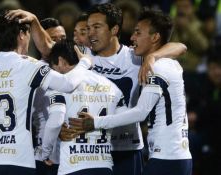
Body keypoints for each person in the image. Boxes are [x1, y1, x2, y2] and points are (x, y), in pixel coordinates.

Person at [0, 12, 92, 175]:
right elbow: (68, 84)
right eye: (28, 34)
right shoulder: (28, 66)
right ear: (21, 35)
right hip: (18, 159)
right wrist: (84, 62)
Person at [69, 8, 193, 175]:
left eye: (137, 32)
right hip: (169, 154)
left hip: (156, 154)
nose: (132, 37)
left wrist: (96, 122)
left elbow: (140, 112)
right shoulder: (167, 64)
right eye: (88, 28)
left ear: (113, 30)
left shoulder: (150, 64)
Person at [42, 39, 126, 175]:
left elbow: (55, 121)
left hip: (73, 166)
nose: (54, 72)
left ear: (61, 61)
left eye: (53, 66)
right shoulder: (112, 87)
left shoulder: (59, 86)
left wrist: (46, 152)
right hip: (104, 165)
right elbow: (125, 120)